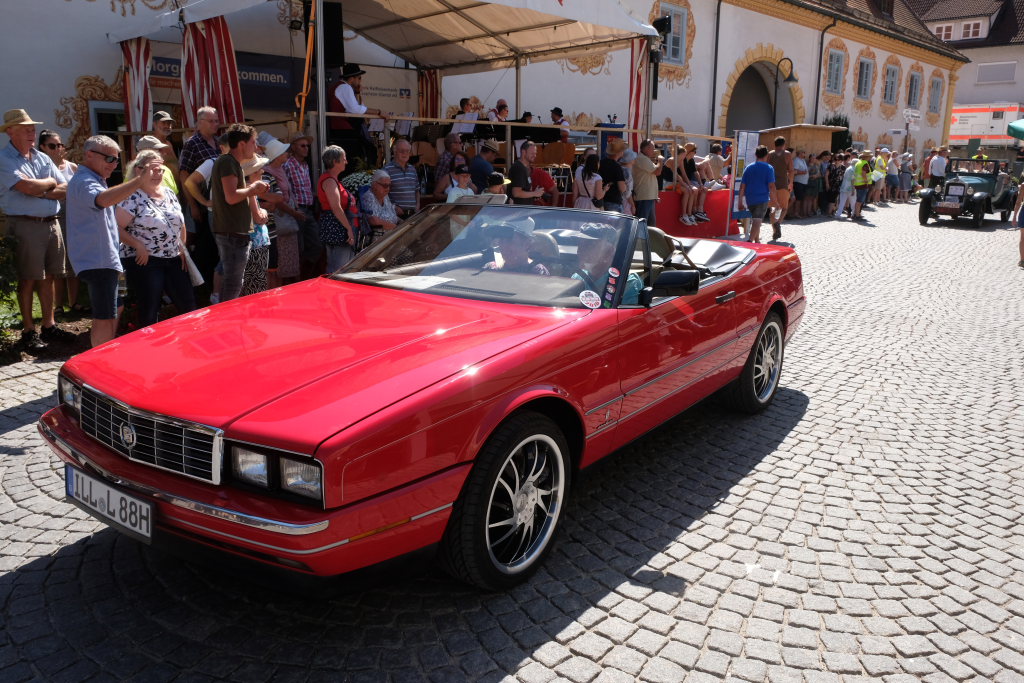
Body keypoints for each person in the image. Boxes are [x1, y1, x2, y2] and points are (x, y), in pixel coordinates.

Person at [67, 135, 161, 346]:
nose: (114, 164)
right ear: (89, 155)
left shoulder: (94, 180)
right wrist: (139, 181)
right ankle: (98, 361)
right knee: (104, 317)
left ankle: (104, 356)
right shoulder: (84, 181)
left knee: (114, 309)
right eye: (109, 158)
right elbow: (102, 200)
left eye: (117, 160)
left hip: (106, 261)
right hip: (98, 261)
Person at [0, 109, 73, 350]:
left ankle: (48, 325)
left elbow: (65, 188)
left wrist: (41, 189)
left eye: (32, 129)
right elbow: (28, 187)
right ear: (10, 132)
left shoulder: (41, 157)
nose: (32, 133)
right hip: (25, 224)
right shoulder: (4, 159)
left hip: (51, 223)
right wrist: (49, 184)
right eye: (26, 129)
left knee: (50, 275)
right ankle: (29, 330)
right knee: (29, 277)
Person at [114, 149, 195, 328]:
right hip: (147, 260)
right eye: (153, 169)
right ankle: (148, 343)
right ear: (139, 170)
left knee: (188, 304)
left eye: (160, 170)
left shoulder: (169, 193)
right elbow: (115, 228)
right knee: (150, 309)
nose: (158, 174)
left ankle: (192, 340)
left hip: (174, 257)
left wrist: (182, 248)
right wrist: (137, 245)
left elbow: (180, 222)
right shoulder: (131, 197)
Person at [210, 123, 269, 302]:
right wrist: (254, 189)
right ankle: (224, 317)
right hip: (232, 234)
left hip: (235, 233)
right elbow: (231, 197)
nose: (256, 147)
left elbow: (233, 195)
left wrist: (252, 188)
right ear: (242, 144)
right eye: (253, 142)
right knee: (233, 284)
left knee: (234, 282)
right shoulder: (227, 162)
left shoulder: (230, 162)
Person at [38, 128, 82, 317]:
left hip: (72, 217)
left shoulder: (72, 167)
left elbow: (78, 191)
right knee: (57, 262)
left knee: (73, 260)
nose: (58, 149)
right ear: (43, 147)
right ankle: (58, 305)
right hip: (53, 217)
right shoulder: (42, 169)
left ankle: (75, 302)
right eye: (52, 146)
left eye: (60, 145)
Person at [258, 138, 302, 288]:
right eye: (284, 152)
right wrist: (294, 213)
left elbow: (278, 197)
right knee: (275, 263)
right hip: (276, 221)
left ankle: (283, 288)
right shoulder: (268, 173)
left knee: (280, 261)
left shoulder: (278, 171)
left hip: (280, 220)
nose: (287, 153)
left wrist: (269, 200)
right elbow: (274, 200)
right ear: (277, 155)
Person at [328, 63, 386, 165]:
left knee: (367, 149)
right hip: (344, 131)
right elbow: (355, 109)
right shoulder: (345, 87)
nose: (360, 81)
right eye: (359, 78)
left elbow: (357, 108)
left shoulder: (342, 87)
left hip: (340, 129)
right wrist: (378, 112)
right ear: (351, 79)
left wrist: (357, 93)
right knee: (366, 151)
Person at [571, 223, 641, 306]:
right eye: (580, 244)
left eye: (590, 245)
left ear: (609, 252)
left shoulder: (626, 283)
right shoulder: (577, 278)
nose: (580, 250)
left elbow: (629, 313)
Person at [282, 132, 320, 277]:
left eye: (307, 146)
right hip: (296, 210)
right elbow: (286, 189)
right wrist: (293, 209)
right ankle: (298, 279)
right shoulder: (287, 165)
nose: (306, 148)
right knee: (298, 248)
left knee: (316, 245)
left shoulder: (305, 165)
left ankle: (304, 276)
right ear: (293, 147)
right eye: (302, 146)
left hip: (308, 210)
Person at [317, 145, 358, 272]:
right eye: (344, 158)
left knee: (338, 266)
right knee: (340, 268)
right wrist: (349, 228)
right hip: (337, 226)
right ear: (335, 161)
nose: (346, 162)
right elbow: (336, 207)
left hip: (336, 225)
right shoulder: (329, 181)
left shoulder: (332, 179)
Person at [738, 145, 776, 244]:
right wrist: (775, 200)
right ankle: (750, 240)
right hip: (762, 197)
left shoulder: (749, 167)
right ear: (766, 155)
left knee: (755, 218)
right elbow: (771, 186)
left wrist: (740, 201)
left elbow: (742, 186)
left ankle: (757, 241)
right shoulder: (769, 168)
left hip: (750, 198)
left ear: (756, 155)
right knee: (757, 220)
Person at [483, 222, 549, 275]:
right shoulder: (491, 268)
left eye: (509, 240)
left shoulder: (537, 272)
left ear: (527, 245)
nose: (503, 246)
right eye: (501, 239)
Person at [384, 138, 418, 219]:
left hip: (413, 214)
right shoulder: (386, 170)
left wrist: (417, 206)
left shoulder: (412, 169)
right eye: (402, 151)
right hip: (396, 215)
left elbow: (417, 190)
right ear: (395, 152)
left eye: (407, 151)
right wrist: (393, 207)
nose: (405, 154)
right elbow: (382, 194)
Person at [766, 136, 793, 240]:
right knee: (784, 208)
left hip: (771, 185)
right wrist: (791, 183)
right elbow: (791, 170)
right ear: (784, 144)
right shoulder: (787, 154)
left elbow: (767, 168)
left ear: (775, 144)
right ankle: (778, 223)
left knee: (773, 208)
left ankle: (774, 230)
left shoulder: (770, 154)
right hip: (783, 184)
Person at [361, 169, 399, 241]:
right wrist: (396, 228)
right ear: (375, 184)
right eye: (385, 185)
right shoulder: (368, 197)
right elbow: (373, 220)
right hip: (378, 240)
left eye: (389, 185)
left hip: (391, 236)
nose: (388, 188)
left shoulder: (385, 196)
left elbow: (393, 214)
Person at [681, 143, 709, 223]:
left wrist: (701, 184)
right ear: (690, 152)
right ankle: (694, 211)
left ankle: (700, 211)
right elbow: (683, 175)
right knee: (695, 190)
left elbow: (695, 172)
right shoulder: (682, 160)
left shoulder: (691, 160)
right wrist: (690, 184)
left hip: (689, 181)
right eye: (695, 151)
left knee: (704, 189)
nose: (695, 153)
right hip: (683, 181)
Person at [510, 141, 545, 205]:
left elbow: (522, 191)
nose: (534, 156)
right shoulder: (519, 168)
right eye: (532, 153)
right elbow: (516, 193)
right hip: (519, 209)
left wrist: (534, 193)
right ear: (523, 152)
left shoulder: (523, 168)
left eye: (535, 153)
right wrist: (535, 193)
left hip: (523, 209)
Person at [599, 139, 628, 213]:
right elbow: (622, 188)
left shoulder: (600, 163)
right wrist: (626, 185)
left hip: (601, 200)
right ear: (619, 152)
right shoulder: (617, 166)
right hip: (614, 202)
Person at [834, 154, 858, 219]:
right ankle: (854, 214)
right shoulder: (854, 169)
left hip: (843, 187)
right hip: (850, 188)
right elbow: (852, 180)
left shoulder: (848, 168)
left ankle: (838, 214)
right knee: (853, 202)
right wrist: (853, 189)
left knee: (842, 202)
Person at [852, 151, 873, 220]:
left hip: (858, 184)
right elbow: (863, 173)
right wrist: (866, 181)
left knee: (859, 200)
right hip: (862, 184)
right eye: (870, 156)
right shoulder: (865, 163)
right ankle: (857, 215)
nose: (871, 157)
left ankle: (856, 214)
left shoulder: (859, 162)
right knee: (860, 201)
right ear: (867, 157)